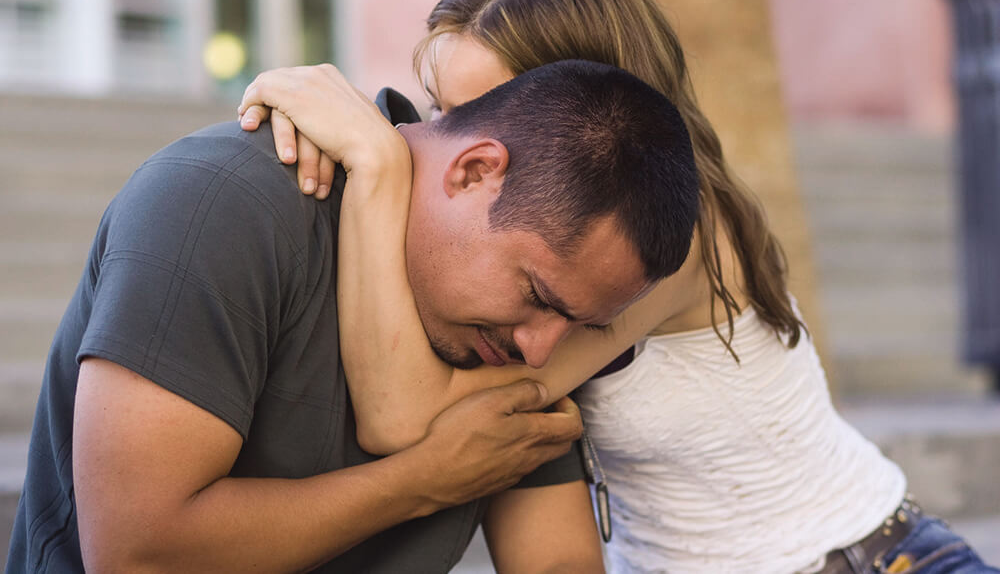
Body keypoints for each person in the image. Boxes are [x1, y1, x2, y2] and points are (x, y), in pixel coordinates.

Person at [239, 0, 1000, 573]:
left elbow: (405, 419)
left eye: (483, 115)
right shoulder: (525, 243)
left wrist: (374, 166)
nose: (453, 145)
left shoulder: (663, 242)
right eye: (443, 109)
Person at [6, 59, 702, 573]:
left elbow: (556, 563)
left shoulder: (518, 325)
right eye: (539, 297)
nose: (543, 350)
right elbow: (136, 553)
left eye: (578, 324)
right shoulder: (222, 203)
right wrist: (418, 481)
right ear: (473, 171)